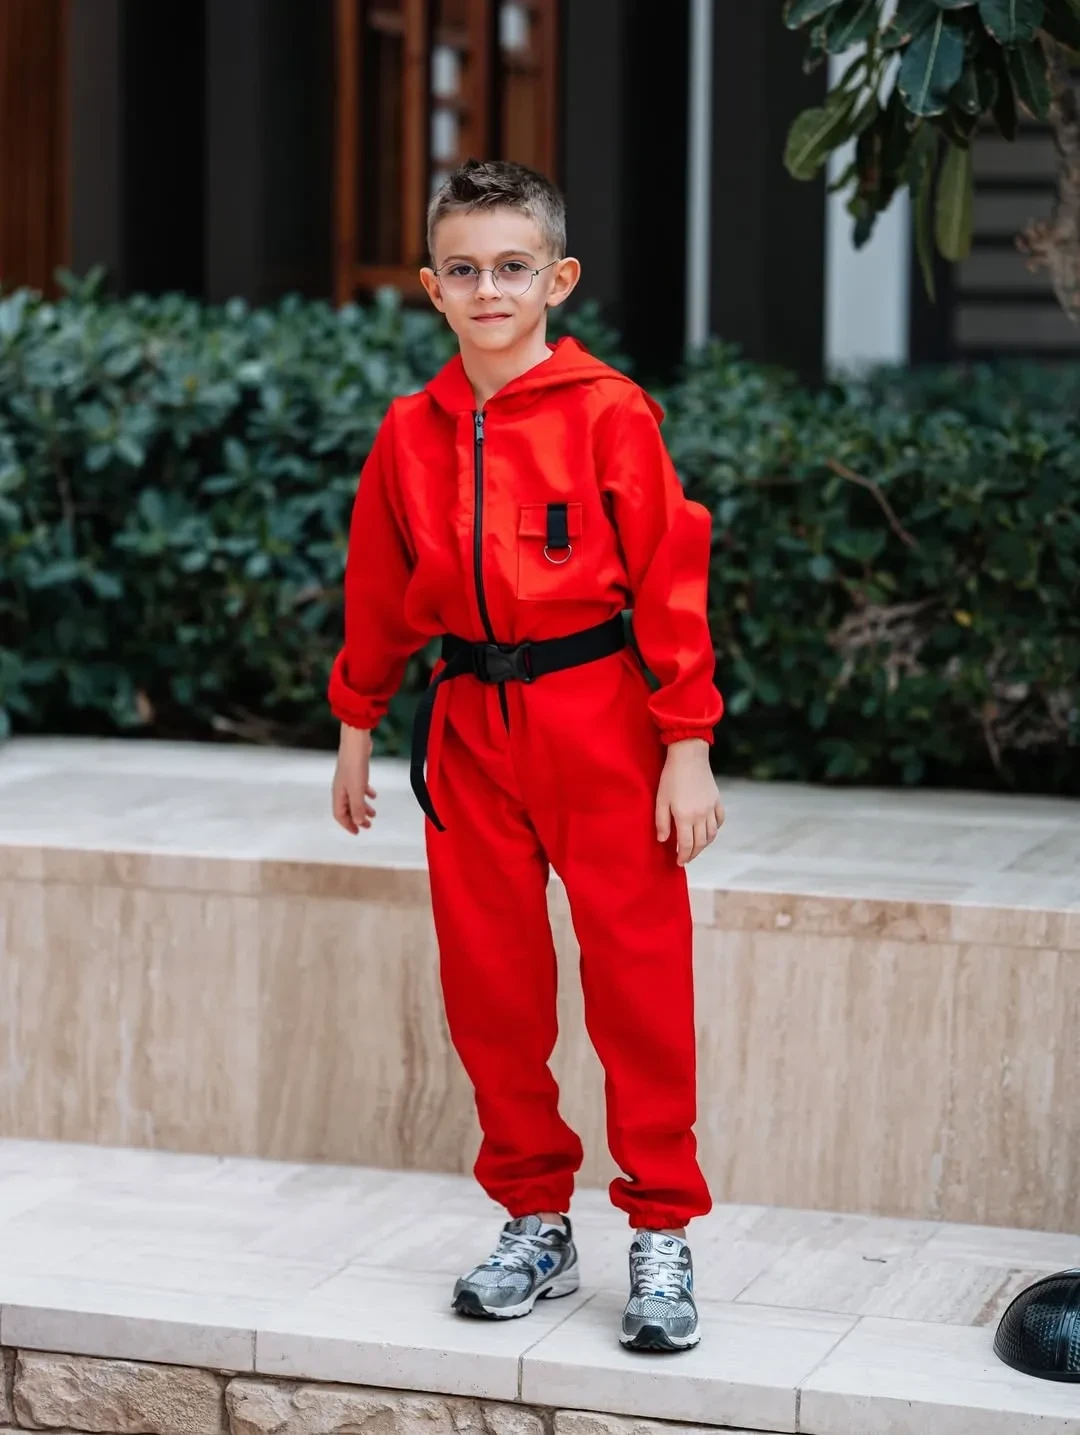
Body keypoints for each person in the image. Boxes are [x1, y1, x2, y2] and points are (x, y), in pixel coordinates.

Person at [329, 158, 724, 1354]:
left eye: (513, 267)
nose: (488, 289)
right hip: (468, 729)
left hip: (599, 720)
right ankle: (535, 1221)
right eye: (464, 270)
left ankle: (662, 1229)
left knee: (639, 981)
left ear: (559, 278)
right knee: (492, 989)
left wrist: (687, 743)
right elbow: (379, 584)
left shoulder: (611, 412)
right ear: (432, 287)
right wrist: (356, 723)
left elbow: (670, 576)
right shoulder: (409, 433)